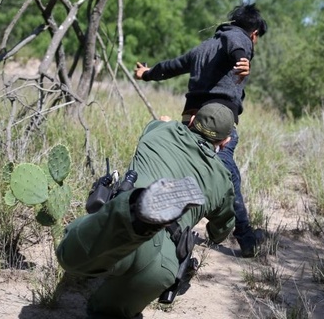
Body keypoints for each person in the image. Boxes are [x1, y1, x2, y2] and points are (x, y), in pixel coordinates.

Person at [56, 103, 236, 319]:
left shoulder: (160, 129)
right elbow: (221, 231)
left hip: (120, 226)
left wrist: (166, 122)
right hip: (160, 265)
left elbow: (159, 124)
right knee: (106, 313)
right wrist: (215, 232)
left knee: (70, 257)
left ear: (191, 119)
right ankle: (147, 217)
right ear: (225, 142)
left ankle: (137, 211)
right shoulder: (223, 180)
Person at [134, 3, 268, 257]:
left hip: (189, 121)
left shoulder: (203, 48)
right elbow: (237, 44)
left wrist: (147, 73)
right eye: (255, 40)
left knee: (186, 170)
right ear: (254, 34)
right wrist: (242, 58)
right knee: (228, 174)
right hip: (215, 124)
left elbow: (173, 66)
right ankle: (246, 238)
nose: (253, 45)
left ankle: (160, 220)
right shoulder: (238, 37)